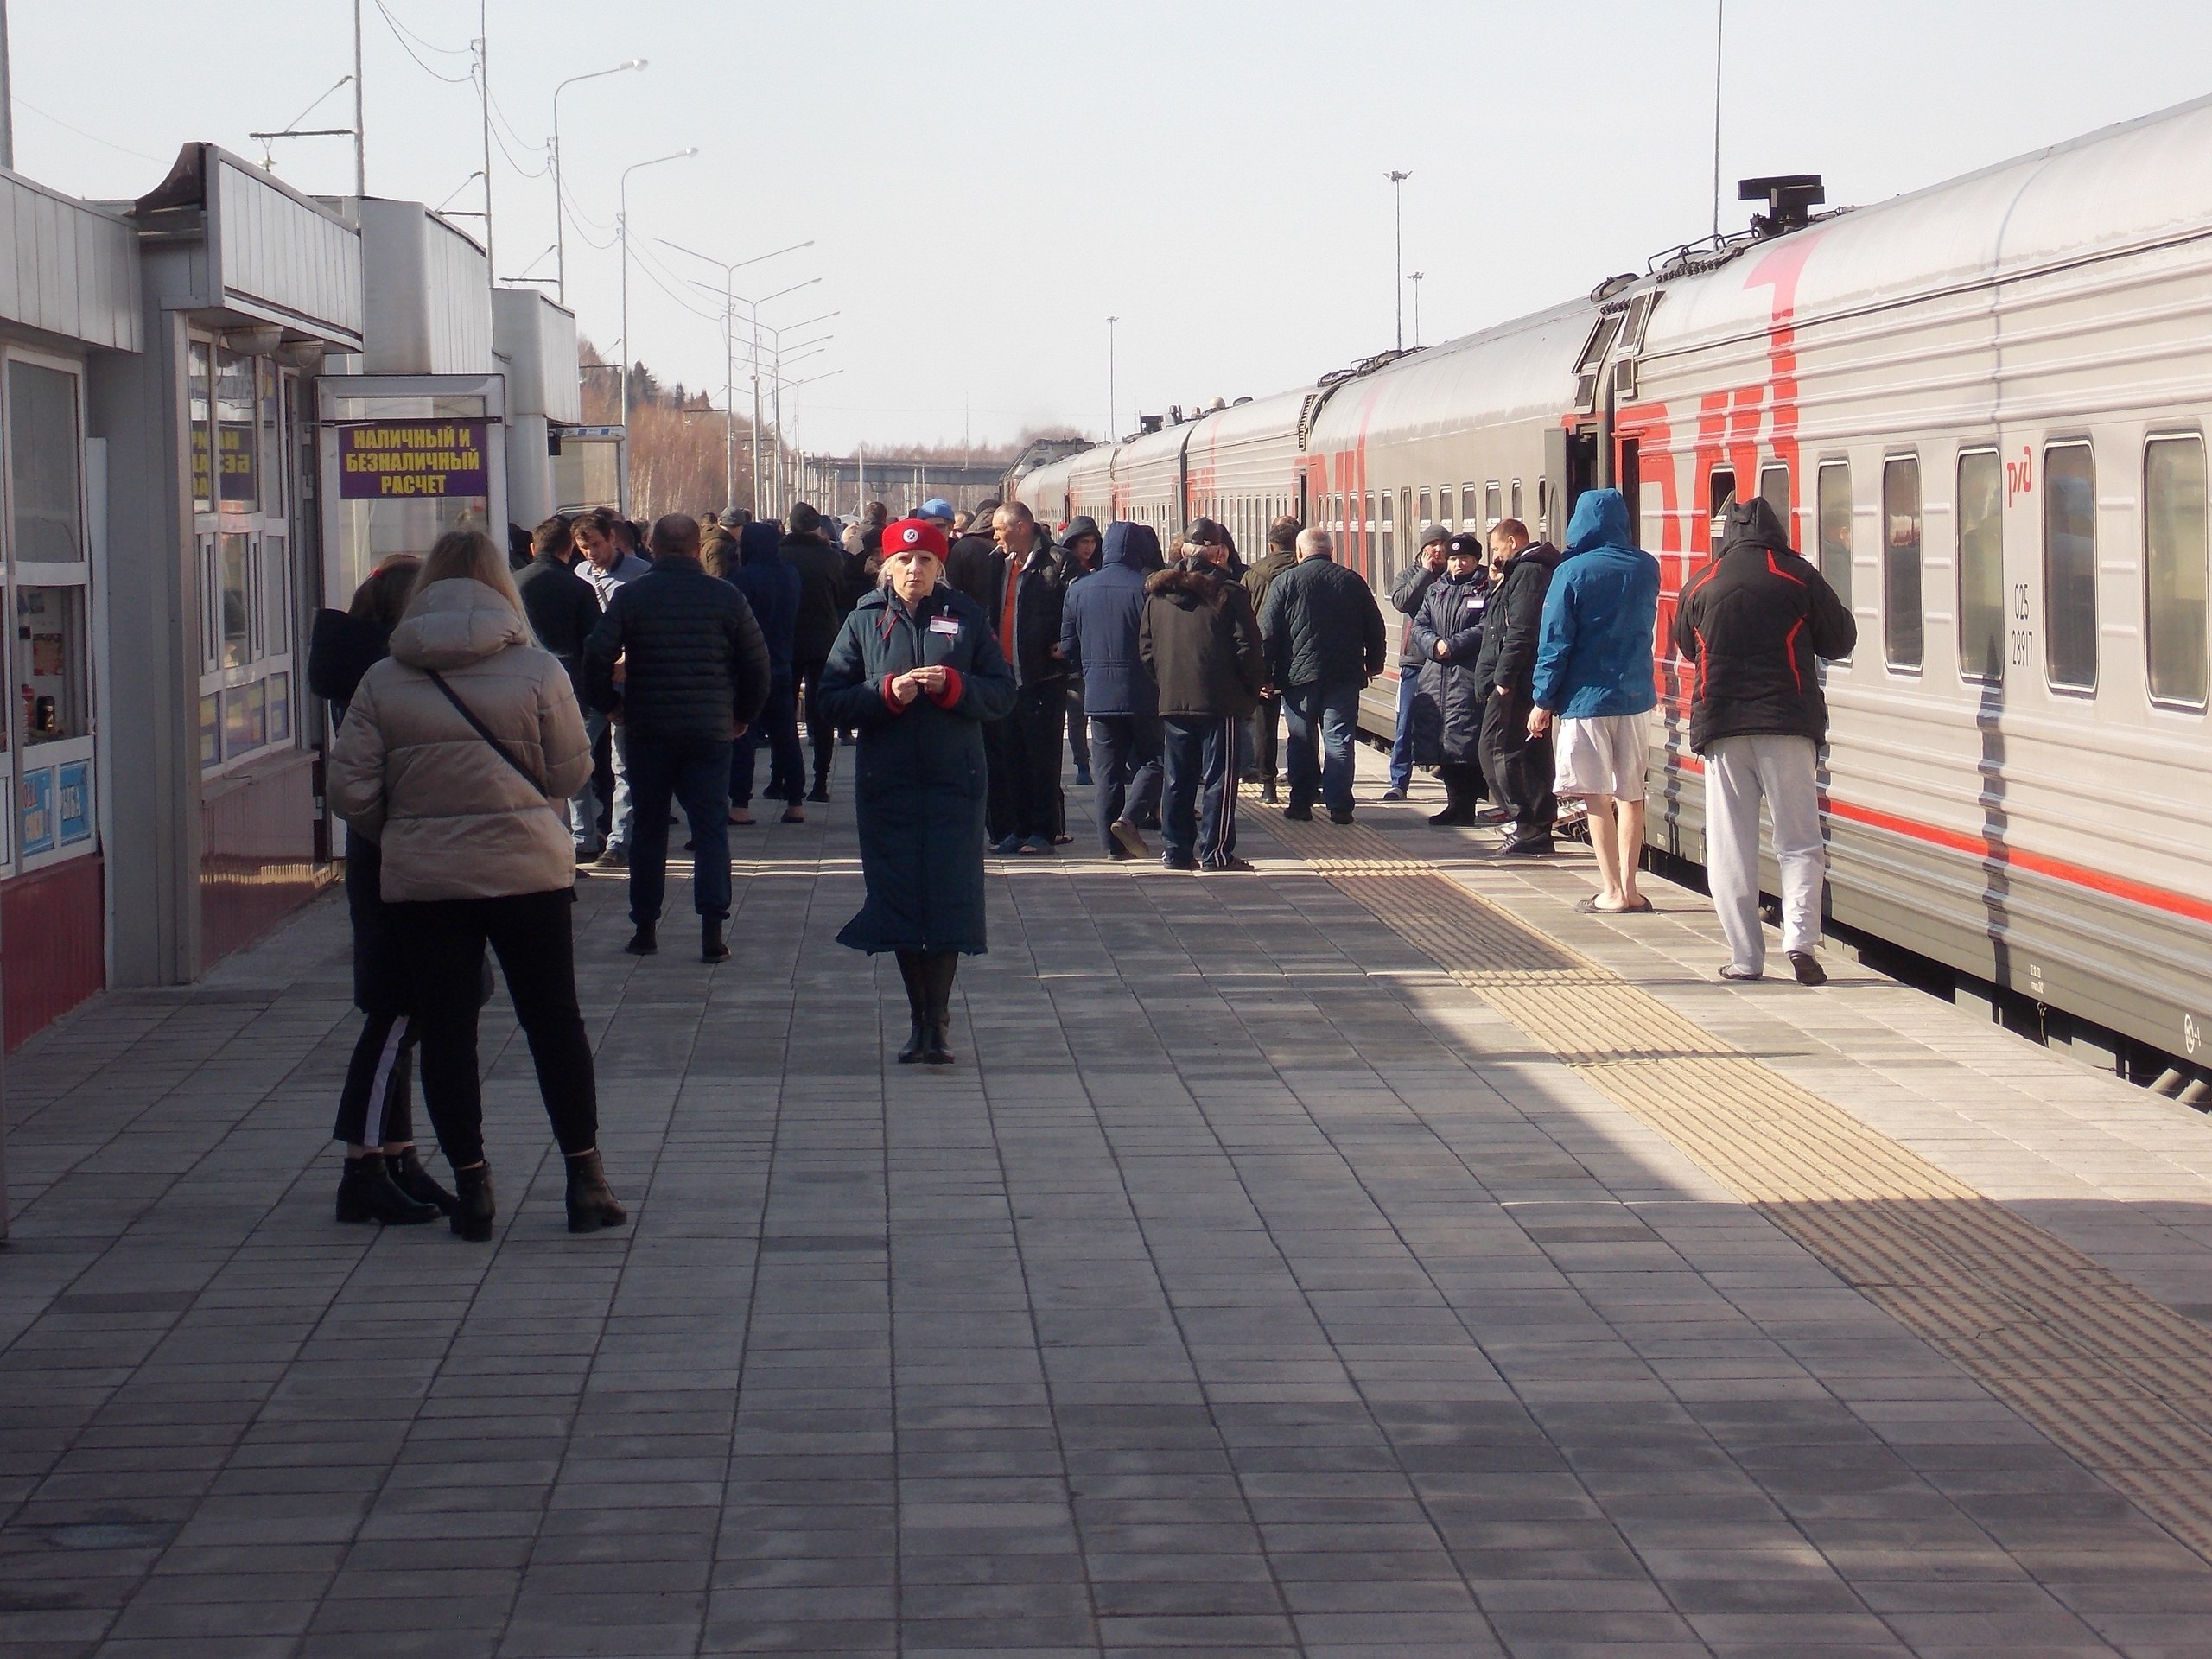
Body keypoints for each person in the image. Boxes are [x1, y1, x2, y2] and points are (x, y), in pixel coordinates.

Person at [326, 529, 620, 1242]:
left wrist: (407, 827)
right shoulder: (537, 670)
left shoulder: (385, 677)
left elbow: (349, 790)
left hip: (429, 884)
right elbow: (572, 773)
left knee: (451, 1033)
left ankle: (474, 1188)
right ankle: (584, 1181)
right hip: (529, 876)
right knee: (554, 1025)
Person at [817, 518, 1017, 1064]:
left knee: (949, 899)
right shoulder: (863, 621)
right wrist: (884, 693)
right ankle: (916, 1021)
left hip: (956, 784)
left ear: (939, 568)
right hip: (890, 785)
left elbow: (1002, 693)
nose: (914, 570)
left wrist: (955, 687)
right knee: (902, 898)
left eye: (925, 561)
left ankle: (940, 1024)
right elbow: (830, 699)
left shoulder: (966, 617)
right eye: (904, 562)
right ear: (886, 567)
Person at [308, 556, 449, 1226]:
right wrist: (397, 829)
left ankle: (398, 1153)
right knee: (394, 1017)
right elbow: (359, 786)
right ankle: (362, 1166)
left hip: (398, 853)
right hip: (395, 857)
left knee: (409, 1016)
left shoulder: (371, 673)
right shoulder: (381, 680)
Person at [1674, 495, 1857, 983]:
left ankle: (1745, 958)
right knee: (1798, 840)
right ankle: (1799, 942)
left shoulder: (1702, 582)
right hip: (1788, 727)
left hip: (1723, 729)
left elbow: (1686, 646)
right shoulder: (1799, 575)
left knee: (1730, 843)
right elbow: (1841, 640)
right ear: (1777, 531)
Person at [583, 514, 772, 963]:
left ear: (652, 544)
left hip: (648, 727)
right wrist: (741, 715)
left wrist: (610, 703)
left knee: (649, 829)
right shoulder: (725, 596)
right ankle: (712, 931)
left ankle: (645, 928)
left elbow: (596, 654)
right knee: (709, 830)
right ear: (695, 548)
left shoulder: (632, 597)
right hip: (709, 730)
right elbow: (756, 664)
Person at [1529, 488, 1662, 913]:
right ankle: (1632, 886)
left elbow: (1555, 643)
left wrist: (1542, 700)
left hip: (1586, 701)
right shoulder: (1647, 568)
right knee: (1631, 793)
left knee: (1596, 796)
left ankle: (1611, 891)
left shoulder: (1570, 573)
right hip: (1636, 697)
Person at [1141, 542, 1265, 870]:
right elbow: (1247, 647)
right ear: (1218, 557)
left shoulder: (1158, 595)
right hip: (1219, 702)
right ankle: (1216, 852)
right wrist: (1251, 690)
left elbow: (1146, 649)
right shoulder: (1228, 594)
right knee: (1219, 780)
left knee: (1177, 778)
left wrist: (1165, 682)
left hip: (1173, 700)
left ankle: (1176, 851)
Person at [1258, 527, 1385, 823]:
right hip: (1344, 675)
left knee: (1301, 739)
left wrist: (1264, 675)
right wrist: (1374, 663)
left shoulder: (1285, 582)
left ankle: (1301, 803)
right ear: (1331, 551)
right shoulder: (1352, 581)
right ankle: (1339, 805)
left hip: (1298, 677)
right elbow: (1375, 626)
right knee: (1339, 739)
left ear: (1300, 553)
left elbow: (1267, 633)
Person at [1060, 520, 1166, 860]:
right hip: (1144, 694)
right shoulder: (1148, 589)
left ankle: (1111, 847)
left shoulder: (1079, 589)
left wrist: (1086, 673)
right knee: (1155, 759)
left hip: (1099, 695)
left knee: (1106, 772)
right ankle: (1129, 817)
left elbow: (1068, 645)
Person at [977, 502, 1069, 855]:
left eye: (1000, 530)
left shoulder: (1057, 563)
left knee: (1041, 758)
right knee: (1011, 756)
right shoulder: (997, 564)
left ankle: (1042, 831)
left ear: (1021, 527)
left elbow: (1071, 608)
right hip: (1005, 676)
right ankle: (1016, 827)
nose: (995, 537)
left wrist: (1067, 643)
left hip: (1042, 676)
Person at [515, 518, 607, 859]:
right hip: (573, 689)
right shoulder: (577, 589)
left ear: (532, 549)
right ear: (569, 549)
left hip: (520, 689)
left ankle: (541, 834)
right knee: (572, 760)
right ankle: (582, 835)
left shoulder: (511, 585)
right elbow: (596, 643)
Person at [1475, 518, 1565, 854]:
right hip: (1521, 679)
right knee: (1527, 752)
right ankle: (1536, 824)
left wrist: (1502, 678)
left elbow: (1521, 630)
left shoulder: (1528, 573)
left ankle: (1526, 822)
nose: (1495, 556)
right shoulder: (1525, 570)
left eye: (1497, 549)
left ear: (1513, 542)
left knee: (1496, 750)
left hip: (1514, 680)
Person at [569, 508, 651, 867]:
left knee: (624, 763)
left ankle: (619, 840)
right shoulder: (580, 575)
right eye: (584, 547)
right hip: (593, 681)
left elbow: (649, 625)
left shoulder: (640, 574)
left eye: (597, 545)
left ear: (613, 540)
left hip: (626, 681)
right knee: (576, 757)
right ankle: (583, 836)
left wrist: (629, 658)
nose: (591, 554)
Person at [719, 520, 807, 825]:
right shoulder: (790, 574)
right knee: (786, 735)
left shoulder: (743, 578)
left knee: (742, 733)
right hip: (783, 663)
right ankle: (796, 802)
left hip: (748, 667)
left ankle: (740, 805)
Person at [1409, 532, 1493, 826]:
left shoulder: (1485, 589)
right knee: (1443, 742)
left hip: (1466, 676)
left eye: (1465, 559)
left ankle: (1465, 805)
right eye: (1454, 559)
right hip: (1437, 676)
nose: (1458, 565)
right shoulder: (1437, 589)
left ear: (1475, 561)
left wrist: (1452, 645)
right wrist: (1433, 644)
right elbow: (1419, 623)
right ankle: (1454, 804)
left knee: (1465, 743)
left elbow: (1486, 627)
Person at [778, 503, 850, 804]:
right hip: (823, 641)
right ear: (816, 528)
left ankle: (781, 778)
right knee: (822, 714)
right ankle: (820, 782)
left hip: (787, 643)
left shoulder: (779, 555)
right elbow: (840, 596)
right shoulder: (831, 557)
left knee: (784, 713)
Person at [1386, 524, 1452, 800]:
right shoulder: (1410, 575)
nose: (1438, 549)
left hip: (1446, 660)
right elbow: (1401, 602)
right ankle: (1398, 781)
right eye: (1432, 544)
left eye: (1442, 544)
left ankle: (1453, 782)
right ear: (1423, 548)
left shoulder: (1453, 577)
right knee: (1406, 721)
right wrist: (1424, 574)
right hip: (1414, 660)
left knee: (1451, 722)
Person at [1242, 517, 1300, 801]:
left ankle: (1268, 784)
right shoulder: (1305, 571)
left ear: (1271, 545)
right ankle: (1305, 781)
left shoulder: (1253, 575)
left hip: (1263, 657)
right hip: (1299, 658)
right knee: (1302, 722)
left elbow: (1244, 619)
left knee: (1265, 724)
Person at [1059, 515, 1103, 786]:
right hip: (1073, 654)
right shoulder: (1064, 569)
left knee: (1096, 713)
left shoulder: (1101, 568)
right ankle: (1082, 764)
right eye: (1083, 542)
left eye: (1092, 542)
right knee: (1076, 714)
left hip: (1094, 651)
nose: (1088, 548)